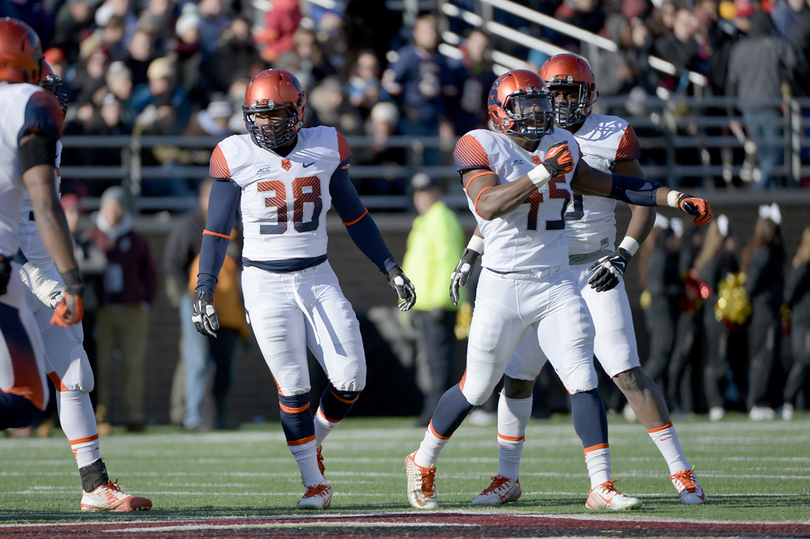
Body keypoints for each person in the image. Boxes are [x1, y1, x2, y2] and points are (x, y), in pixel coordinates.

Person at [404, 68, 711, 511]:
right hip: (503, 286)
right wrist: (542, 173)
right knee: (477, 388)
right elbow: (487, 204)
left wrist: (672, 197)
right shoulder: (478, 144)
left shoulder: (560, 144)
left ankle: (600, 485)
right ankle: (423, 458)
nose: (536, 114)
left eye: (539, 105)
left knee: (583, 379)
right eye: (524, 107)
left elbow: (615, 185)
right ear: (499, 113)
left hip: (555, 282)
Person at [192, 69, 417, 510]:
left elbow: (355, 215)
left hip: (318, 275)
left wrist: (389, 267)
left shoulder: (326, 145)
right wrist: (205, 287)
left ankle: (311, 440)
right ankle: (314, 483)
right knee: (293, 385)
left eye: (277, 113)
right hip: (264, 282)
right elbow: (216, 232)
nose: (268, 123)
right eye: (260, 115)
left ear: (299, 111)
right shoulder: (234, 155)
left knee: (352, 376)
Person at [0, 20, 150, 513]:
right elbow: (27, 215)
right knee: (22, 396)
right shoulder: (19, 111)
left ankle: (94, 485)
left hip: (35, 262)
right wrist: (52, 280)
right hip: (16, 270)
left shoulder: (36, 123)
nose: (48, 88)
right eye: (38, 75)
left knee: (73, 374)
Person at [82, 186, 159, 434]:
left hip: (131, 309)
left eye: (117, 206)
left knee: (133, 363)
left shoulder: (135, 239)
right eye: (109, 206)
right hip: (102, 309)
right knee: (100, 364)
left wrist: (144, 300)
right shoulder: (92, 237)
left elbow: (150, 274)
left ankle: (133, 414)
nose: (113, 211)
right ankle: (101, 415)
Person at [402, 173, 466, 427]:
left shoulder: (440, 218)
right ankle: (435, 410)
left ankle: (437, 412)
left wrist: (442, 300)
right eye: (417, 193)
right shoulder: (427, 220)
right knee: (433, 362)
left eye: (426, 192)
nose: (421, 197)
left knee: (440, 364)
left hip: (436, 304)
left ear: (437, 192)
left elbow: (447, 261)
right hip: (426, 304)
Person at [163, 178, 211, 431]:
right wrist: (188, 295)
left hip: (224, 302)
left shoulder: (229, 222)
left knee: (208, 360)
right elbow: (172, 264)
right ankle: (191, 415)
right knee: (197, 358)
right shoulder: (190, 226)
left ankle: (200, 413)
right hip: (196, 301)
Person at [742, 203, 786, 420]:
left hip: (771, 312)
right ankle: (757, 402)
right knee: (763, 357)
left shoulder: (770, 252)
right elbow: (750, 287)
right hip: (764, 314)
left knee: (772, 357)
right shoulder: (763, 253)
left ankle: (774, 401)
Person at [783, 227, 810, 420]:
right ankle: (788, 400)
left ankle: (800, 403)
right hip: (803, 320)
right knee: (803, 359)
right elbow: (789, 293)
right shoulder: (803, 266)